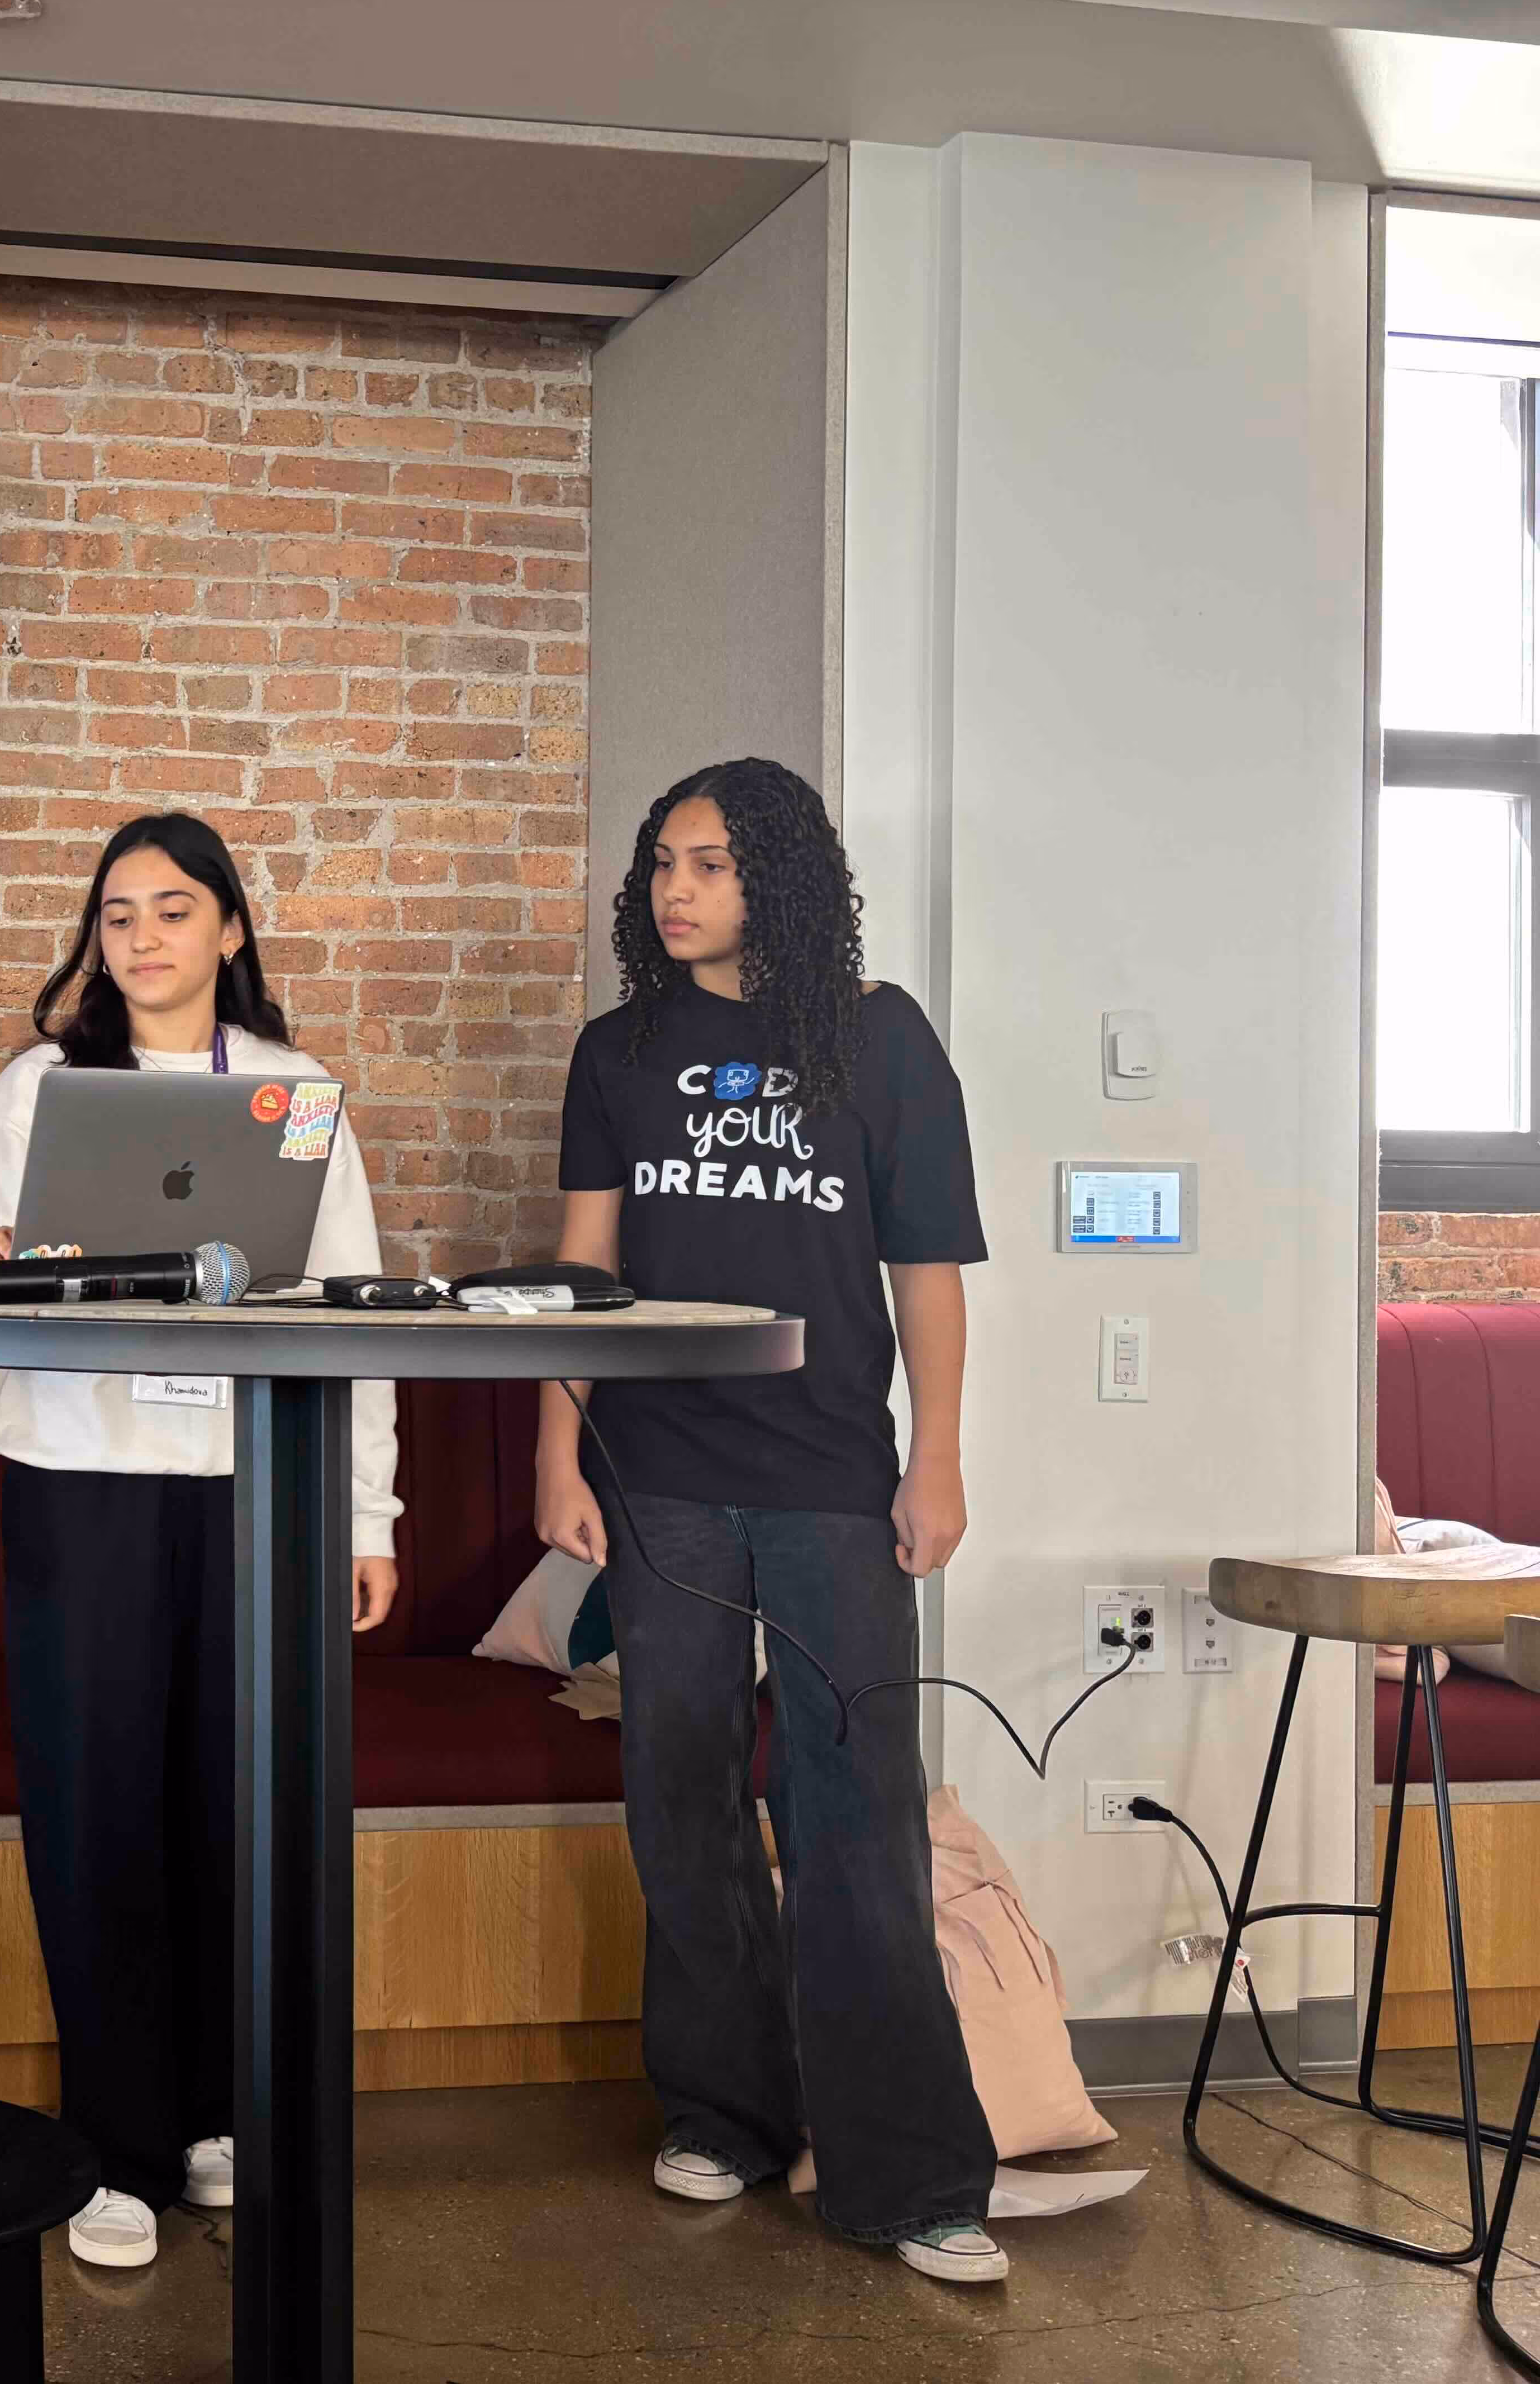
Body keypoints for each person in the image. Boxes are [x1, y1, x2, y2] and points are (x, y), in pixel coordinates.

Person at [0, 812, 401, 2272]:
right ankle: (112, 2146)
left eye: (173, 911)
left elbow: (357, 1316)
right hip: (81, 1477)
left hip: (256, 1486)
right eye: (118, 914)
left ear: (232, 931)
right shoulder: (45, 1086)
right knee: (96, 1804)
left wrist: (367, 1512)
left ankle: (217, 2114)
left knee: (234, 1803)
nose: (142, 939)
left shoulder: (297, 1093)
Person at [533, 756, 1004, 2285]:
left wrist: (934, 1463)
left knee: (854, 1809)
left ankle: (911, 2175)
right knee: (679, 1798)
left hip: (827, 1480)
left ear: (780, 879)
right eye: (663, 863)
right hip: (659, 1473)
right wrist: (560, 1456)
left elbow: (924, 1269)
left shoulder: (879, 1039)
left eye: (712, 864)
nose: (676, 890)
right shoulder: (619, 1051)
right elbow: (582, 1274)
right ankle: (728, 2111)